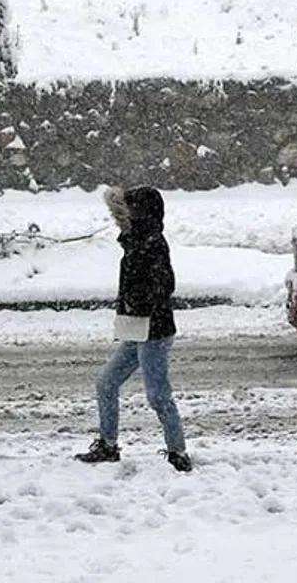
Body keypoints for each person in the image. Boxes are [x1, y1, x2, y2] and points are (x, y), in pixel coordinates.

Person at [76, 186, 191, 473]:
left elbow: (164, 286)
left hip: (154, 331)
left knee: (158, 396)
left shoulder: (152, 243)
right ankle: (108, 445)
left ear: (141, 213)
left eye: (127, 211)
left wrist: (137, 303)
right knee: (106, 383)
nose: (120, 218)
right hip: (135, 328)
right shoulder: (136, 241)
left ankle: (178, 453)